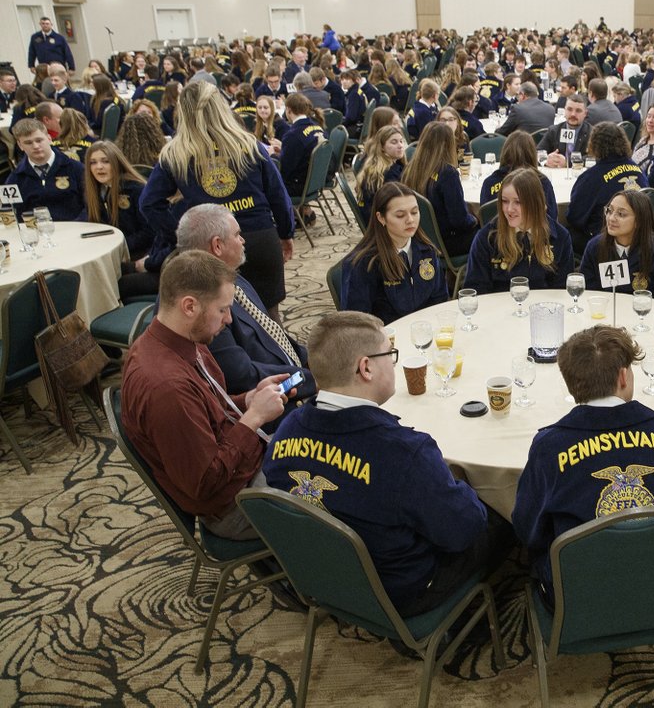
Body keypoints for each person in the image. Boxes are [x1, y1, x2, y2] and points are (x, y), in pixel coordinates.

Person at [264, 310, 511, 616]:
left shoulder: (286, 429)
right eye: (390, 354)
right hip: (398, 592)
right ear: (366, 368)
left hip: (321, 577)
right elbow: (464, 530)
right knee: (501, 517)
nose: (394, 363)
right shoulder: (404, 453)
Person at [512, 324, 654, 599]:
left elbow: (528, 528)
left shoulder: (549, 448)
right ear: (623, 376)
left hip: (580, 596)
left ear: (570, 384)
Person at [122, 251, 288, 540]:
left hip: (245, 469)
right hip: (233, 504)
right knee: (343, 493)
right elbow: (206, 482)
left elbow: (208, 412)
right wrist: (254, 418)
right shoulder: (167, 388)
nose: (228, 320)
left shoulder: (181, 339)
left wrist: (247, 400)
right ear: (190, 306)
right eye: (222, 310)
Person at [140, 82, 295, 317]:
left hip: (209, 247)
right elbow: (279, 196)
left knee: (215, 324)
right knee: (269, 323)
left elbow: (149, 204)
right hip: (259, 239)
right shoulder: (248, 144)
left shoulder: (176, 153)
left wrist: (183, 238)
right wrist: (285, 233)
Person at [175, 204, 315, 414]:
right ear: (217, 245)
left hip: (289, 382)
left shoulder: (233, 278)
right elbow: (241, 375)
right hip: (269, 406)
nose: (243, 240)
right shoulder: (202, 305)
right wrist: (310, 379)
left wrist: (311, 360)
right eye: (237, 235)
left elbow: (271, 334)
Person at [342, 182, 447, 323]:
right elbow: (356, 323)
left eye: (414, 212)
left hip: (426, 330)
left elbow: (440, 299)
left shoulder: (427, 250)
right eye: (400, 215)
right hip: (385, 335)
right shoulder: (364, 263)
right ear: (381, 218)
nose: (410, 220)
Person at [463, 168, 572, 294]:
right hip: (499, 305)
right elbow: (475, 291)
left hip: (544, 305)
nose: (509, 209)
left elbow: (563, 292)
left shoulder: (560, 237)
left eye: (518, 202)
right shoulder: (487, 238)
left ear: (535, 203)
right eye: (505, 201)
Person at [580, 190, 654, 303]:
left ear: (639, 220)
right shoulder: (595, 246)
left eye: (621, 214)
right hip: (604, 311)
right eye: (609, 211)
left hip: (644, 312)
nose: (611, 218)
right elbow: (587, 292)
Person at [565, 121, 646, 252]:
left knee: (562, 234)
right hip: (639, 237)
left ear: (594, 144)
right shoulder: (637, 169)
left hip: (605, 241)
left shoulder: (591, 177)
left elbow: (574, 217)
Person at [401, 121, 479, 257]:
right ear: (447, 145)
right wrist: (475, 219)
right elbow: (459, 221)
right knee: (491, 232)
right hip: (446, 242)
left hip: (421, 237)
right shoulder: (447, 173)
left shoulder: (411, 169)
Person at [80, 141, 153, 261]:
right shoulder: (93, 190)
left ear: (117, 163)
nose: (99, 167)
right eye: (93, 162)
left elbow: (148, 233)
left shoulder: (135, 189)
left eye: (105, 161)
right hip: (106, 252)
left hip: (135, 254)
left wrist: (116, 247)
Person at [6, 118, 85, 221]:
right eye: (28, 143)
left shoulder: (76, 169)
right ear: (20, 145)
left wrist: (78, 225)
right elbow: (10, 214)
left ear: (49, 138)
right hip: (35, 229)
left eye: (39, 140)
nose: (35, 146)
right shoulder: (15, 179)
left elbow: (92, 206)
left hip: (75, 227)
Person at [277, 93, 326, 204]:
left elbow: (285, 170)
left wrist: (273, 156)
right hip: (315, 182)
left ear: (288, 110)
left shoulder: (293, 135)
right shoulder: (318, 127)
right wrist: (283, 148)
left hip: (299, 186)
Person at [354, 125, 407, 225]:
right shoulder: (388, 173)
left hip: (376, 218)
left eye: (401, 141)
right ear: (382, 147)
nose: (400, 145)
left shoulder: (379, 165)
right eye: (394, 142)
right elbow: (396, 204)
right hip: (381, 224)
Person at [539, 93, 593, 167]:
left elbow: (595, 158)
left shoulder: (592, 133)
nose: (573, 114)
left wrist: (568, 162)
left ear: (585, 114)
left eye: (578, 111)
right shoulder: (554, 130)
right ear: (565, 110)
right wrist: (546, 161)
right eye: (569, 109)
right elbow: (537, 153)